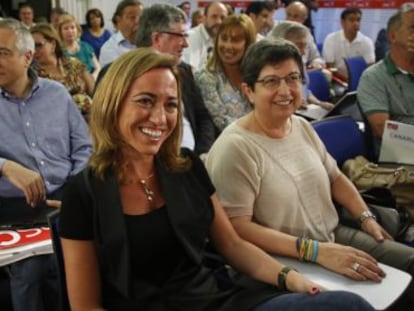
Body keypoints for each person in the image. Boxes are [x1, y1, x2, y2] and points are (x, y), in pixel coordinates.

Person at [58, 46, 374, 311]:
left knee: (347, 305)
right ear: (113, 106)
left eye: (170, 104)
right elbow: (86, 306)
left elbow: (232, 244)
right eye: (145, 101)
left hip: (218, 302)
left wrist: (290, 278)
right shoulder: (82, 194)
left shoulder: (185, 167)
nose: (160, 117)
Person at [205, 39, 414, 297]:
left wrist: (366, 217)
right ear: (248, 90)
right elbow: (238, 228)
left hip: (331, 234)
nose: (285, 91)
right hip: (284, 256)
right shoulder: (235, 148)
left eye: (293, 78)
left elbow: (335, 177)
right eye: (271, 81)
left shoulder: (300, 125)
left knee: (410, 263)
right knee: (353, 301)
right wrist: (315, 251)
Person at [0, 18, 92, 311]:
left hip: (65, 197)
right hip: (13, 206)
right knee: (32, 272)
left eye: (3, 53)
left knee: (84, 260)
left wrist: (74, 189)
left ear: (27, 57)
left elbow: (84, 147)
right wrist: (5, 165)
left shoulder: (57, 94)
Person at [135, 4, 215, 155]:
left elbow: (203, 117)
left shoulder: (183, 70)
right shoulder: (120, 74)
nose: (186, 44)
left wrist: (202, 154)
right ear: (157, 38)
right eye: (181, 36)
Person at [357, 3, 414, 158]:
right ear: (393, 36)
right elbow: (385, 131)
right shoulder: (373, 77)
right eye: (412, 28)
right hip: (400, 159)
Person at [195, 14, 255, 134]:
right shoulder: (206, 77)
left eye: (236, 40)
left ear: (248, 44)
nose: (228, 46)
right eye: (224, 38)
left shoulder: (256, 76)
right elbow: (222, 122)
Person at [30, 23, 94, 119]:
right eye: (31, 46)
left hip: (91, 118)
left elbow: (94, 92)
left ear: (53, 44)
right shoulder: (33, 76)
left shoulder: (74, 64)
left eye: (38, 45)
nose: (34, 51)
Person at [269, 21, 333, 110]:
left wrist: (320, 104)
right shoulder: (268, 70)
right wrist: (290, 103)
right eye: (298, 45)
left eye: (304, 46)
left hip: (304, 111)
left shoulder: (299, 64)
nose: (303, 52)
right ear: (278, 43)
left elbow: (305, 92)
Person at [322, 8, 374, 81]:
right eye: (352, 20)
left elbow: (370, 68)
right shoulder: (331, 39)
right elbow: (329, 66)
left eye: (358, 20)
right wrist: (345, 80)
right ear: (342, 22)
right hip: (337, 80)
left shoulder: (367, 42)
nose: (356, 23)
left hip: (360, 81)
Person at [182, 1, 228, 70]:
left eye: (222, 18)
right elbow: (192, 72)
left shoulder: (222, 37)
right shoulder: (192, 36)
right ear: (204, 18)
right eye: (214, 16)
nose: (219, 21)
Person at [99, 0, 143, 66]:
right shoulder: (109, 48)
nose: (137, 21)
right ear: (118, 20)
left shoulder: (151, 41)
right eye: (132, 17)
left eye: (141, 17)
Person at [57, 13, 101, 79]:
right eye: (66, 28)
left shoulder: (86, 46)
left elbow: (98, 67)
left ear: (77, 29)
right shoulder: (58, 51)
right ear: (60, 32)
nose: (70, 31)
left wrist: (93, 77)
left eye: (72, 27)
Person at [284, 1, 324, 70]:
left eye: (295, 16)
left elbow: (316, 57)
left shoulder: (307, 34)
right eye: (288, 15)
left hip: (304, 73)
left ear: (303, 20)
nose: (290, 19)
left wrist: (316, 64)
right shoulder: (276, 32)